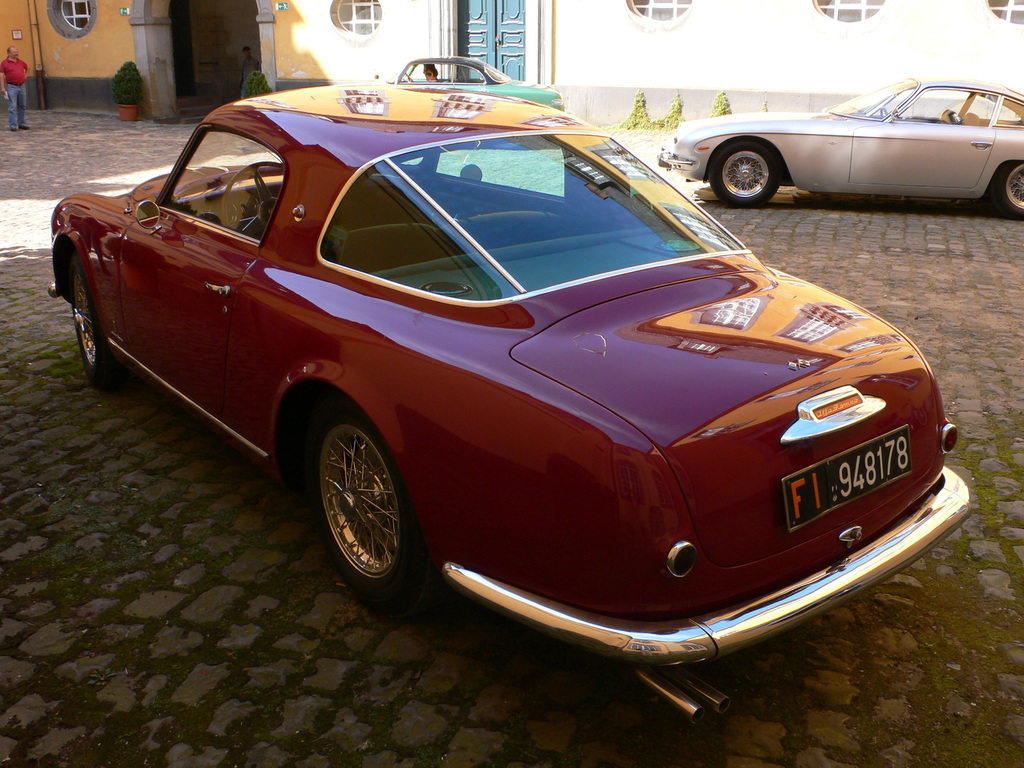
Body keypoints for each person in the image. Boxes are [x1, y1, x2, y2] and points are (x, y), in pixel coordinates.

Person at [1, 46, 30, 132]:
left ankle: (21, 123)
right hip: (12, 86)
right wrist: (2, 87)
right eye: (14, 52)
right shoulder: (4, 63)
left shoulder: (20, 62)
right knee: (12, 106)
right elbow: (1, 75)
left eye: (17, 51)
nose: (16, 53)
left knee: (22, 106)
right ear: (9, 53)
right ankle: (13, 125)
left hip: (22, 86)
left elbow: (28, 67)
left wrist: (25, 77)